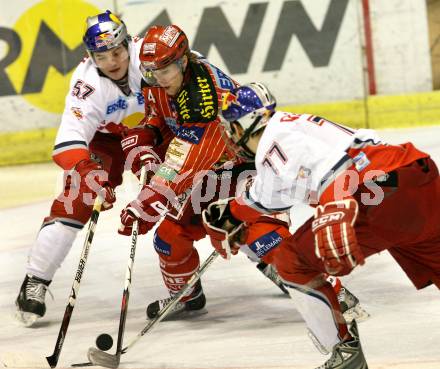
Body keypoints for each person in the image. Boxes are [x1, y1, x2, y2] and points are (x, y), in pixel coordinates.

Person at [120, 35, 366, 324]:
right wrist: (150, 134)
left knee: (262, 236)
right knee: (169, 238)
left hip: (251, 166)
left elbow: (185, 161)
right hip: (212, 170)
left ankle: (333, 293)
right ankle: (188, 296)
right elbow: (162, 115)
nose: (158, 79)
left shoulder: (205, 99)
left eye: (164, 71)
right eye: (151, 72)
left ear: (183, 61)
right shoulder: (158, 79)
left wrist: (151, 198)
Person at [202, 82, 440, 368]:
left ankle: (345, 353)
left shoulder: (275, 144)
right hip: (417, 178)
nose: (229, 134)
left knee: (292, 261)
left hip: (378, 195)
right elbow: (266, 197)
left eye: (230, 127)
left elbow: (336, 168)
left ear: (241, 126)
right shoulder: (287, 129)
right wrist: (232, 213)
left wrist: (334, 207)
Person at [15, 10, 172, 327]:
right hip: (108, 141)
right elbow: (69, 140)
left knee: (197, 184)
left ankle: (265, 256)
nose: (112, 61)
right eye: (102, 56)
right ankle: (36, 280)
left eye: (117, 51)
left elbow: (193, 75)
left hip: (159, 130)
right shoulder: (86, 84)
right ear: (90, 57)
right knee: (79, 198)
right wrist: (87, 171)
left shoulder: (151, 56)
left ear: (128, 43)